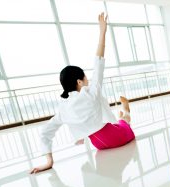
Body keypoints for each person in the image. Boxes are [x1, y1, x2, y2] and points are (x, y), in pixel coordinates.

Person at [30, 13, 135, 174]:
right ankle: (126, 110)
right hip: (115, 137)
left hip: (98, 145)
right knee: (125, 123)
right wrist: (102, 32)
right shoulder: (91, 93)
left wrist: (49, 161)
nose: (88, 79)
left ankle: (122, 113)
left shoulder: (64, 107)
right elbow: (98, 61)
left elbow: (46, 131)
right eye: (85, 77)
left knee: (114, 118)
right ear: (79, 81)